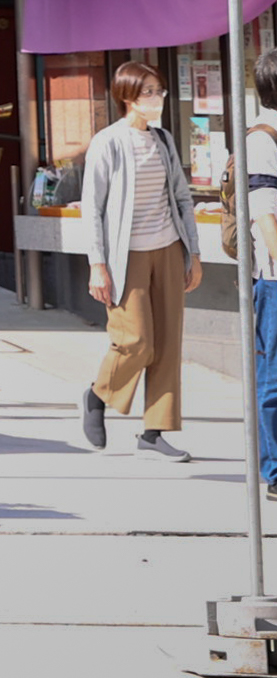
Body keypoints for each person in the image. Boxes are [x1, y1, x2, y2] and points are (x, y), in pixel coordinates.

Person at [76, 56, 202, 457]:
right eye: (149, 92)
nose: (157, 98)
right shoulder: (108, 142)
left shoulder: (162, 139)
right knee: (136, 341)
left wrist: (193, 254)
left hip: (167, 249)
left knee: (167, 343)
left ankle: (154, 433)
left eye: (159, 91)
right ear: (127, 97)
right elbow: (91, 207)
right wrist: (97, 264)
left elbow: (182, 198)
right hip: (125, 257)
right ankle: (98, 394)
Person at [246, 50, 276, 502]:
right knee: (274, 373)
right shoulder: (263, 138)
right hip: (274, 278)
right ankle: (275, 469)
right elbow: (264, 214)